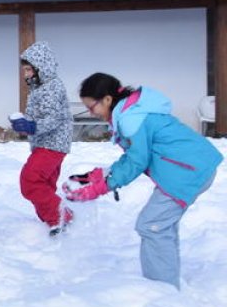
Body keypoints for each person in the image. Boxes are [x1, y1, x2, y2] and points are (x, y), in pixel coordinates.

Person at [66, 73, 222, 288]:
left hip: (187, 172)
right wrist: (100, 175)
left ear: (107, 99)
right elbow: (134, 156)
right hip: (191, 167)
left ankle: (162, 289)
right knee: (160, 225)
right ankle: (167, 281)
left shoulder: (131, 118)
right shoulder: (131, 112)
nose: (91, 113)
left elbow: (137, 161)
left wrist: (103, 187)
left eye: (91, 107)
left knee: (151, 225)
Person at [10, 41, 75, 236]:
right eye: (24, 70)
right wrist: (24, 122)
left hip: (52, 144)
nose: (26, 74)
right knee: (45, 185)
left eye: (29, 69)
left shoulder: (51, 87)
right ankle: (53, 221)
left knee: (30, 181)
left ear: (42, 68)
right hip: (47, 144)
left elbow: (53, 117)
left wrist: (33, 126)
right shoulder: (40, 88)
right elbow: (42, 115)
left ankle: (63, 217)